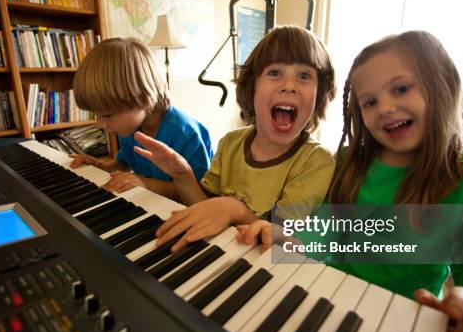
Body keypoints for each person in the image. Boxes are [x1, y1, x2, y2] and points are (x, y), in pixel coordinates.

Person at [237, 30, 463, 332]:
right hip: (325, 295)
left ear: (442, 85)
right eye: (369, 102)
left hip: (404, 321)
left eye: (401, 89)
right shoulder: (348, 161)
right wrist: (292, 239)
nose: (384, 108)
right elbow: (327, 227)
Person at [133, 25, 337, 252]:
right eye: (275, 73)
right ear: (252, 87)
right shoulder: (231, 143)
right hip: (221, 253)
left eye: (304, 76)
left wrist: (235, 210)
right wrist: (182, 174)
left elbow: (276, 237)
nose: (289, 86)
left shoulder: (316, 161)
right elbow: (204, 207)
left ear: (319, 95)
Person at [69, 37, 213, 200]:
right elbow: (124, 163)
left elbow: (198, 194)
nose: (99, 124)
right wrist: (99, 165)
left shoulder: (186, 134)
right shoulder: (131, 129)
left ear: (143, 97)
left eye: (107, 114)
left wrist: (145, 183)